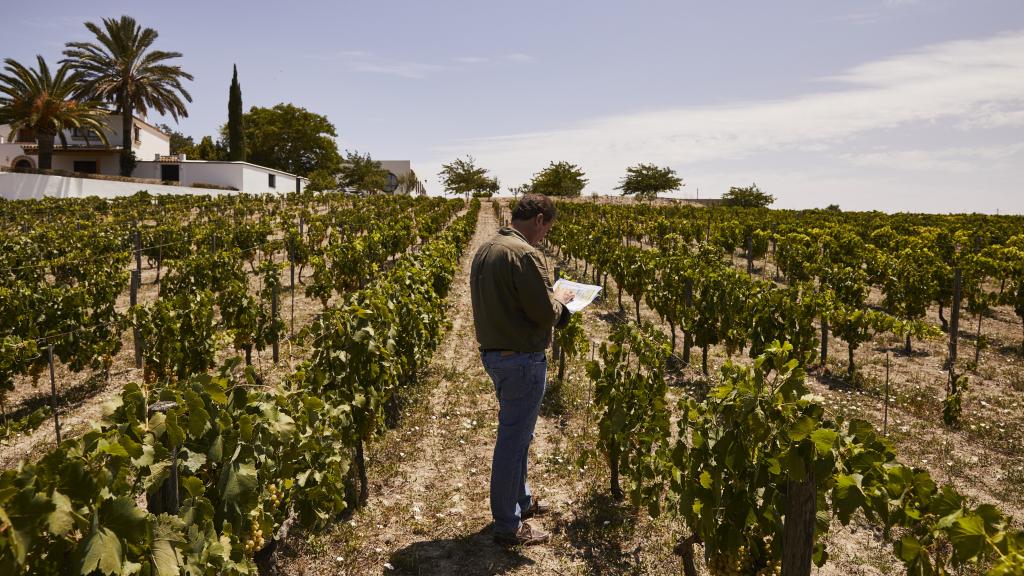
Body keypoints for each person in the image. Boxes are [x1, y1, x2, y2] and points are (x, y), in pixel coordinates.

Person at [470, 193, 574, 546]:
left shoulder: (487, 249)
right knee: (513, 442)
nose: (545, 236)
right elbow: (544, 313)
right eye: (547, 228)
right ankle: (507, 525)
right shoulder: (525, 254)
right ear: (540, 219)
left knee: (519, 435)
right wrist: (562, 303)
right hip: (522, 360)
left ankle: (522, 502)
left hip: (497, 355)